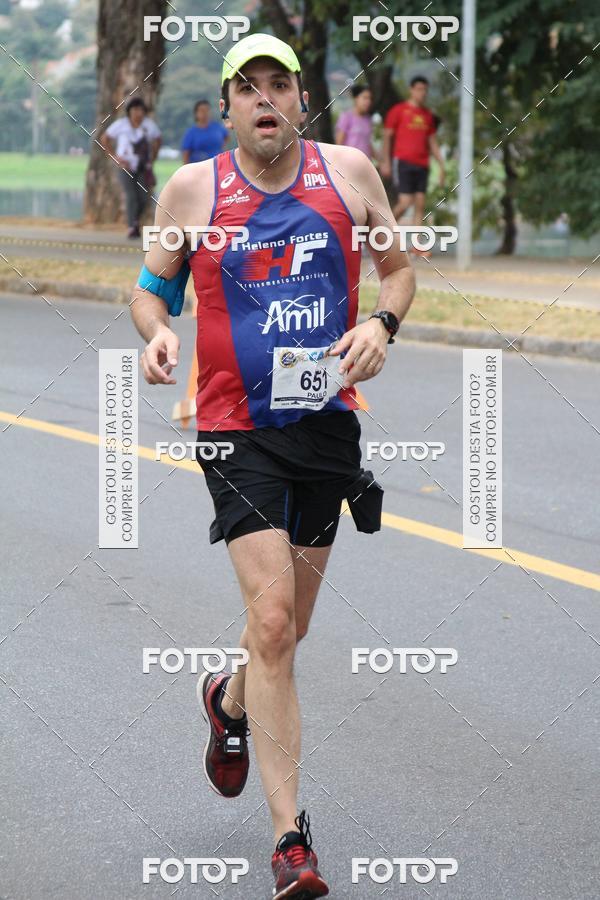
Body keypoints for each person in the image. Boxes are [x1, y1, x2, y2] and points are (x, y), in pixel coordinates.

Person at [130, 32, 415, 900]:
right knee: (276, 619)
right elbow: (151, 287)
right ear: (227, 108)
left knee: (286, 633)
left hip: (325, 424)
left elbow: (399, 272)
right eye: (246, 88)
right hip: (232, 427)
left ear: (302, 100)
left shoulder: (350, 176)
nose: (264, 100)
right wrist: (160, 331)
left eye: (278, 86)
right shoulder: (193, 188)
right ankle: (292, 840)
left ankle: (227, 703)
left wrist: (381, 325)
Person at [381, 76, 445, 255]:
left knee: (420, 204)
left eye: (425, 90)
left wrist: (441, 165)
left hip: (422, 164)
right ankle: (384, 234)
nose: (422, 93)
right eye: (419, 89)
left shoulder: (427, 116)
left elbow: (432, 142)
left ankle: (416, 245)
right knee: (405, 202)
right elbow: (387, 137)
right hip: (403, 162)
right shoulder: (398, 111)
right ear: (411, 90)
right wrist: (385, 161)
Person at [100, 97, 161, 238]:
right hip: (125, 166)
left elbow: (158, 139)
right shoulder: (121, 125)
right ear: (129, 112)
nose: (137, 113)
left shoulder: (148, 126)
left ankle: (135, 221)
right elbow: (105, 138)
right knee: (131, 196)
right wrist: (114, 157)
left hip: (143, 166)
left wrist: (153, 157)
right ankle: (131, 226)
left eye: (140, 110)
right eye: (134, 110)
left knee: (144, 198)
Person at [180, 98, 229, 164]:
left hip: (217, 165)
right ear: (196, 113)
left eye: (207, 110)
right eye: (202, 111)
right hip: (199, 167)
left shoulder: (218, 127)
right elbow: (186, 153)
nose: (205, 113)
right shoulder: (191, 133)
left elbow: (226, 137)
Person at [335, 84, 373, 159]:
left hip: (364, 162)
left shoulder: (368, 119)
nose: (368, 101)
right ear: (356, 98)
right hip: (349, 161)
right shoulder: (346, 117)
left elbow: (367, 143)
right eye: (365, 98)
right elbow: (339, 144)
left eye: (370, 99)